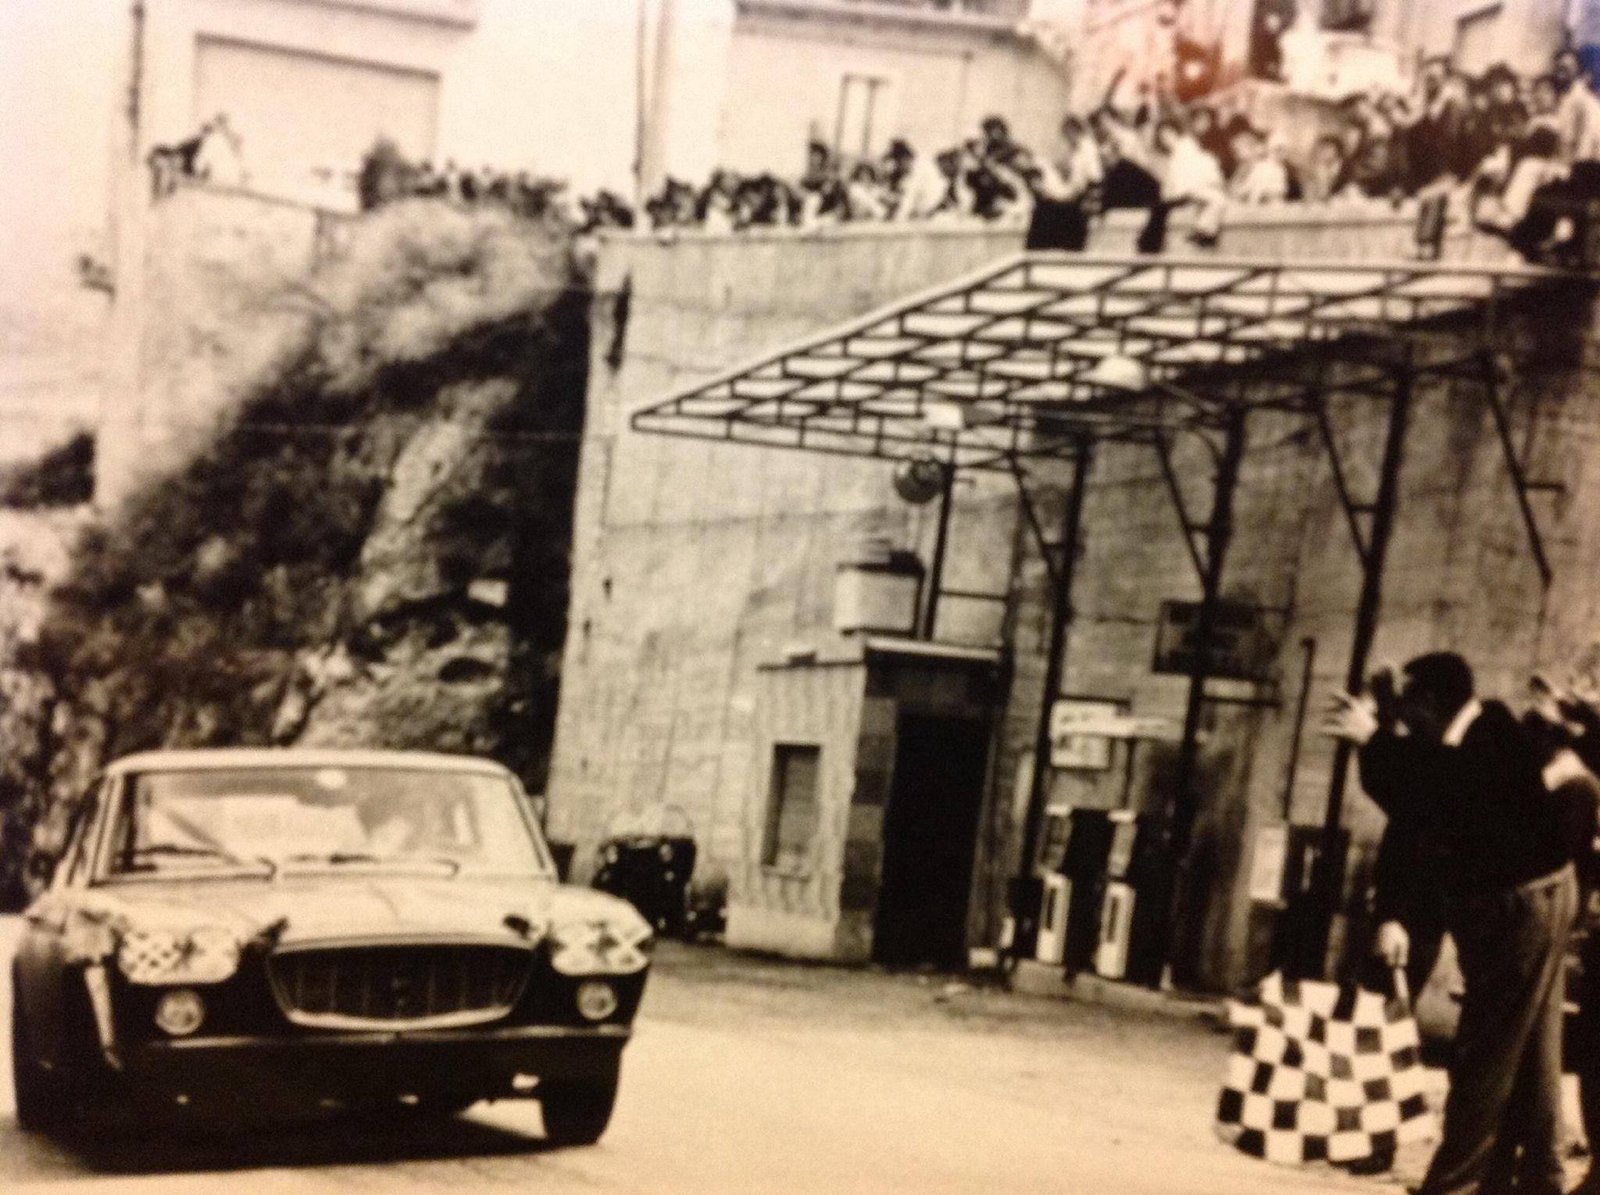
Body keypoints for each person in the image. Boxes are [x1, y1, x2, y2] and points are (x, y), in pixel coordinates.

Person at [1326, 652, 1576, 1195]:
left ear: (1434, 701)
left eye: (1410, 703)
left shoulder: (1489, 738)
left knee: (1486, 1051)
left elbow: (1430, 791)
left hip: (1524, 906)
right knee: (1531, 1044)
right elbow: (1424, 780)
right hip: (1530, 899)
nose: (1406, 715)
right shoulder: (1469, 735)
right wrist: (1385, 716)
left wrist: (1374, 739)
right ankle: (1539, 1176)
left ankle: (1456, 1184)